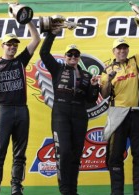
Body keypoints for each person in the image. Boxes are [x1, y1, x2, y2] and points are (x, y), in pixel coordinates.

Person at [0, 20, 40, 195]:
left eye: (15, 44)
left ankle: (16, 187)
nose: (13, 47)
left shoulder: (21, 60)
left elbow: (36, 39)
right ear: (2, 46)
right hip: (4, 110)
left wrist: (27, 20)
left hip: (22, 110)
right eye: (9, 44)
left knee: (19, 154)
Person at [39, 25, 99, 195]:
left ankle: (73, 190)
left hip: (80, 115)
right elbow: (43, 53)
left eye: (76, 54)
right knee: (64, 152)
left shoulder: (87, 75)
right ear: (65, 57)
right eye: (70, 54)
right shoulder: (57, 69)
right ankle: (65, 190)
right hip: (61, 113)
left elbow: (91, 99)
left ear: (79, 57)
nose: (73, 57)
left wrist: (94, 87)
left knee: (75, 154)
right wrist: (51, 35)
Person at [100, 36, 139, 195]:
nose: (122, 50)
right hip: (117, 115)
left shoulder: (136, 60)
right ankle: (116, 192)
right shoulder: (107, 69)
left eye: (124, 47)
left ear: (128, 49)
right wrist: (108, 81)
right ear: (114, 51)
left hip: (137, 112)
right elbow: (104, 95)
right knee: (115, 156)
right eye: (119, 48)